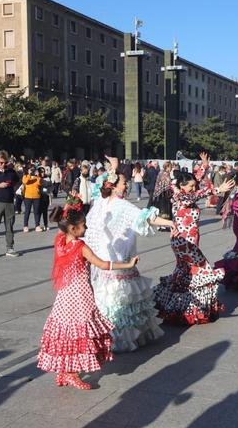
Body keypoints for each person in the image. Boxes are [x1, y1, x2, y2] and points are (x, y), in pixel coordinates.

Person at [37, 203, 139, 390]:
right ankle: (72, 373)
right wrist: (127, 265)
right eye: (83, 225)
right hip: (81, 297)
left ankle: (64, 371)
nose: (86, 228)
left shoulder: (59, 240)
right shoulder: (80, 246)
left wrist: (67, 211)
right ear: (72, 228)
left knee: (66, 333)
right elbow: (101, 264)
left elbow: (62, 228)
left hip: (65, 295)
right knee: (80, 334)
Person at [84, 159, 176, 352]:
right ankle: (121, 339)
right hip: (118, 260)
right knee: (122, 301)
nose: (127, 185)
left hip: (103, 260)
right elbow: (146, 218)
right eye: (124, 183)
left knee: (109, 300)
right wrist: (171, 224)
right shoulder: (121, 205)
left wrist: (114, 168)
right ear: (115, 187)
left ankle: (106, 337)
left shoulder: (100, 201)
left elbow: (100, 184)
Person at [153, 153, 235, 325]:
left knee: (185, 274)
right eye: (190, 186)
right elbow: (195, 195)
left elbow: (194, 182)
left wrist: (204, 165)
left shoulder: (180, 191)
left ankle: (178, 308)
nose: (193, 188)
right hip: (185, 243)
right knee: (203, 270)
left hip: (184, 241)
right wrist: (218, 190)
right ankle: (195, 309)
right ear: (182, 186)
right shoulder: (181, 197)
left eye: (193, 186)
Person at [22, 166, 43, 233]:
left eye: (33, 170)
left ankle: (37, 225)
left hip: (36, 197)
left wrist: (38, 175)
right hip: (27, 197)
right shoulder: (25, 176)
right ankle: (25, 226)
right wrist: (29, 175)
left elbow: (40, 183)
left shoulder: (37, 177)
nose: (32, 171)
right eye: (31, 170)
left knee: (36, 212)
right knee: (27, 211)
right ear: (28, 170)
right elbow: (25, 182)